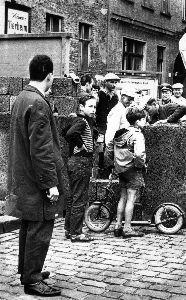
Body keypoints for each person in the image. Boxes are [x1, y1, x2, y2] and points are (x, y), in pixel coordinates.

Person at [7, 55, 64, 297]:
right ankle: (32, 279)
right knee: (40, 229)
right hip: (37, 180)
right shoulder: (39, 103)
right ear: (49, 76)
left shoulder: (22, 97)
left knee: (29, 227)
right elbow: (41, 150)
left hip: (25, 178)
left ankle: (28, 271)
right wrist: (50, 184)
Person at [105, 107, 147, 238]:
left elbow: (109, 148)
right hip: (133, 170)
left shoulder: (120, 133)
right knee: (131, 198)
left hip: (121, 170)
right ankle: (128, 228)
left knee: (122, 197)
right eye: (144, 119)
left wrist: (115, 163)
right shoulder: (137, 134)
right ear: (139, 121)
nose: (145, 122)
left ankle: (118, 226)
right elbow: (139, 154)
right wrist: (140, 165)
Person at [63, 94, 97, 242]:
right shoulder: (82, 121)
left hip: (74, 162)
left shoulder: (78, 119)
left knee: (72, 197)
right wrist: (81, 145)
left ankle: (69, 229)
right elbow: (70, 133)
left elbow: (64, 132)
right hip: (81, 162)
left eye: (95, 106)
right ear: (81, 107)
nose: (93, 109)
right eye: (90, 106)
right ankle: (76, 233)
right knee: (79, 198)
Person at [95, 73, 120, 174]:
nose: (114, 84)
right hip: (100, 126)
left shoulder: (115, 97)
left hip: (111, 126)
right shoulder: (100, 95)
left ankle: (108, 168)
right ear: (105, 82)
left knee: (110, 146)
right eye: (111, 82)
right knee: (100, 147)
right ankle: (100, 167)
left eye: (115, 82)